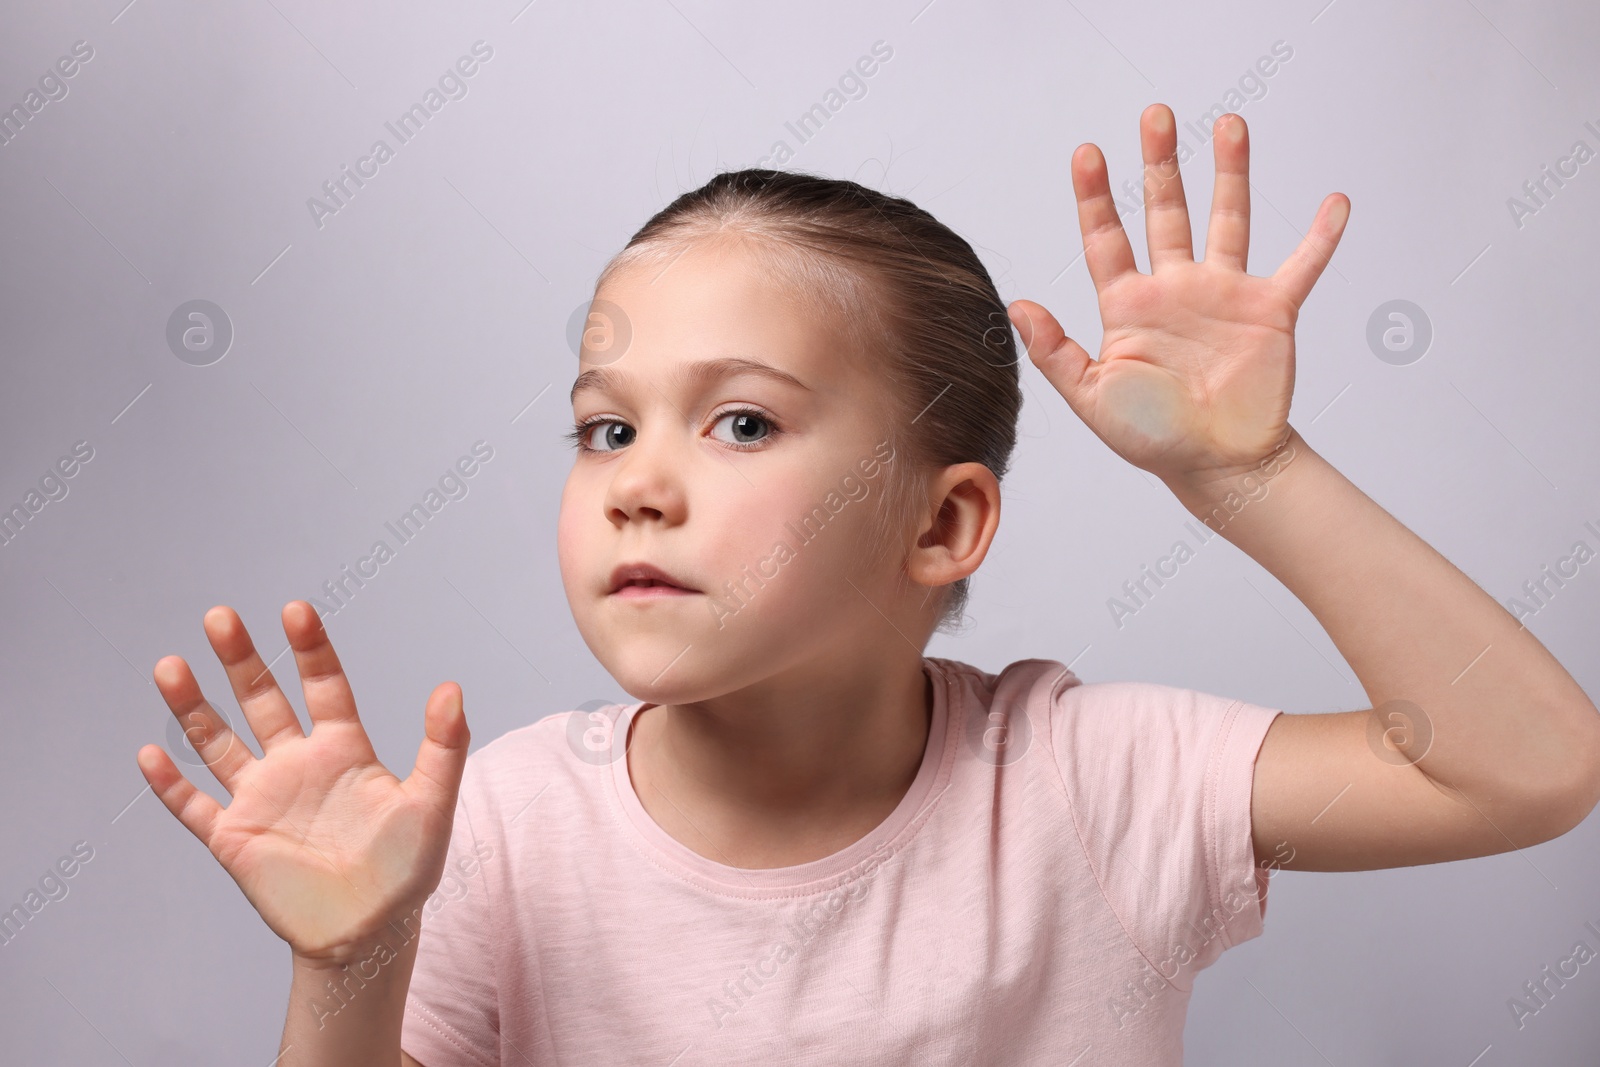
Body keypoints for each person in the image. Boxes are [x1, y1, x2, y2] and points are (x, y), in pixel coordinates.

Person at [136, 104, 1600, 1066]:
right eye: (607, 426)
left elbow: (1522, 772)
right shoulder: (507, 830)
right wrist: (351, 957)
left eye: (744, 422)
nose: (639, 479)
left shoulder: (1094, 785)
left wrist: (1248, 474)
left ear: (945, 526)